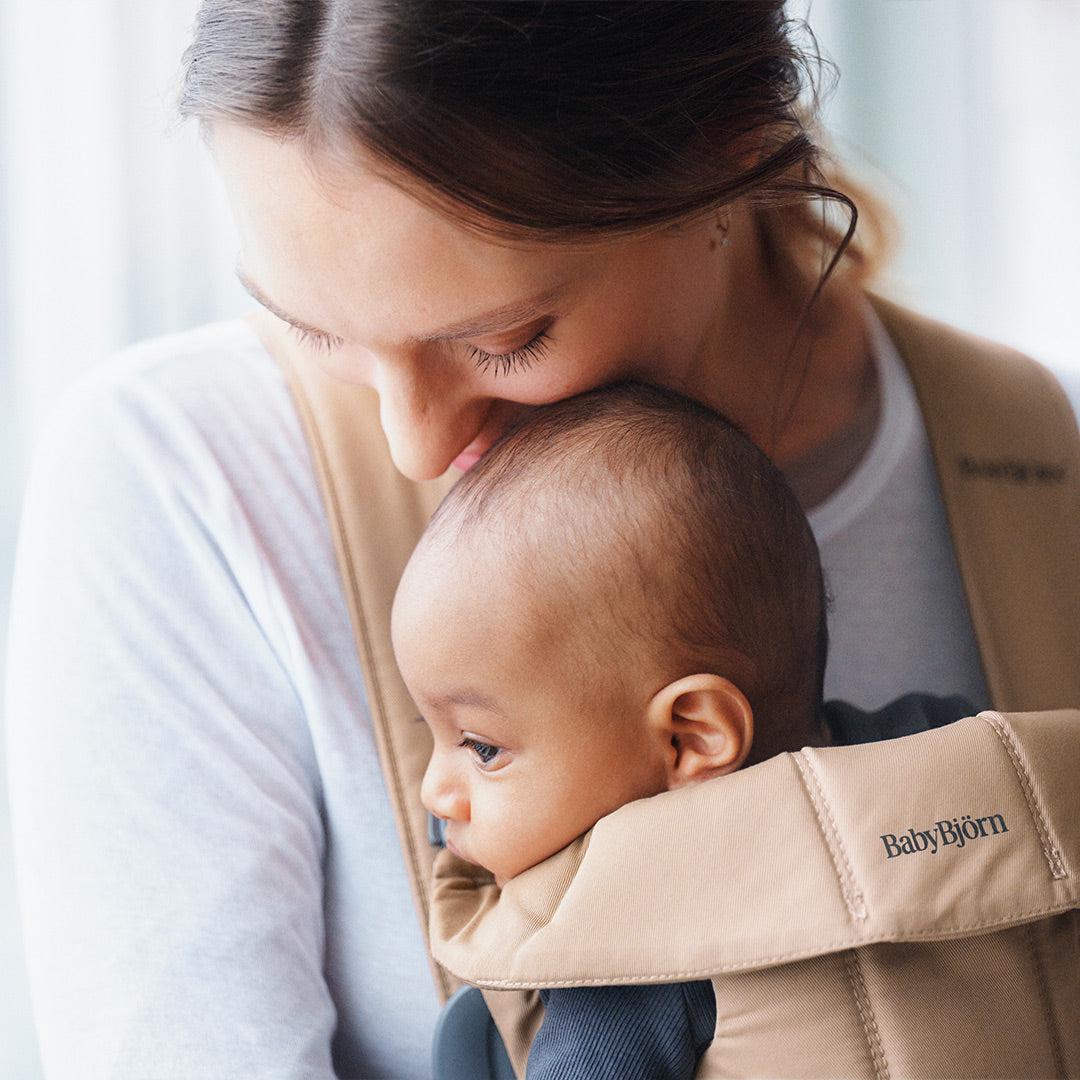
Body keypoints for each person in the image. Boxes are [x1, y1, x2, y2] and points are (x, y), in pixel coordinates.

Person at [5, 4, 1077, 1079]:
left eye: (506, 339)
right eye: (314, 327)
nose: (417, 448)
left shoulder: (1049, 453)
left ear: (733, 146)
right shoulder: (184, 484)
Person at [391, 379, 973, 1080]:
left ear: (690, 739)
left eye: (482, 748)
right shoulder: (948, 747)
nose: (433, 791)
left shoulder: (627, 962)